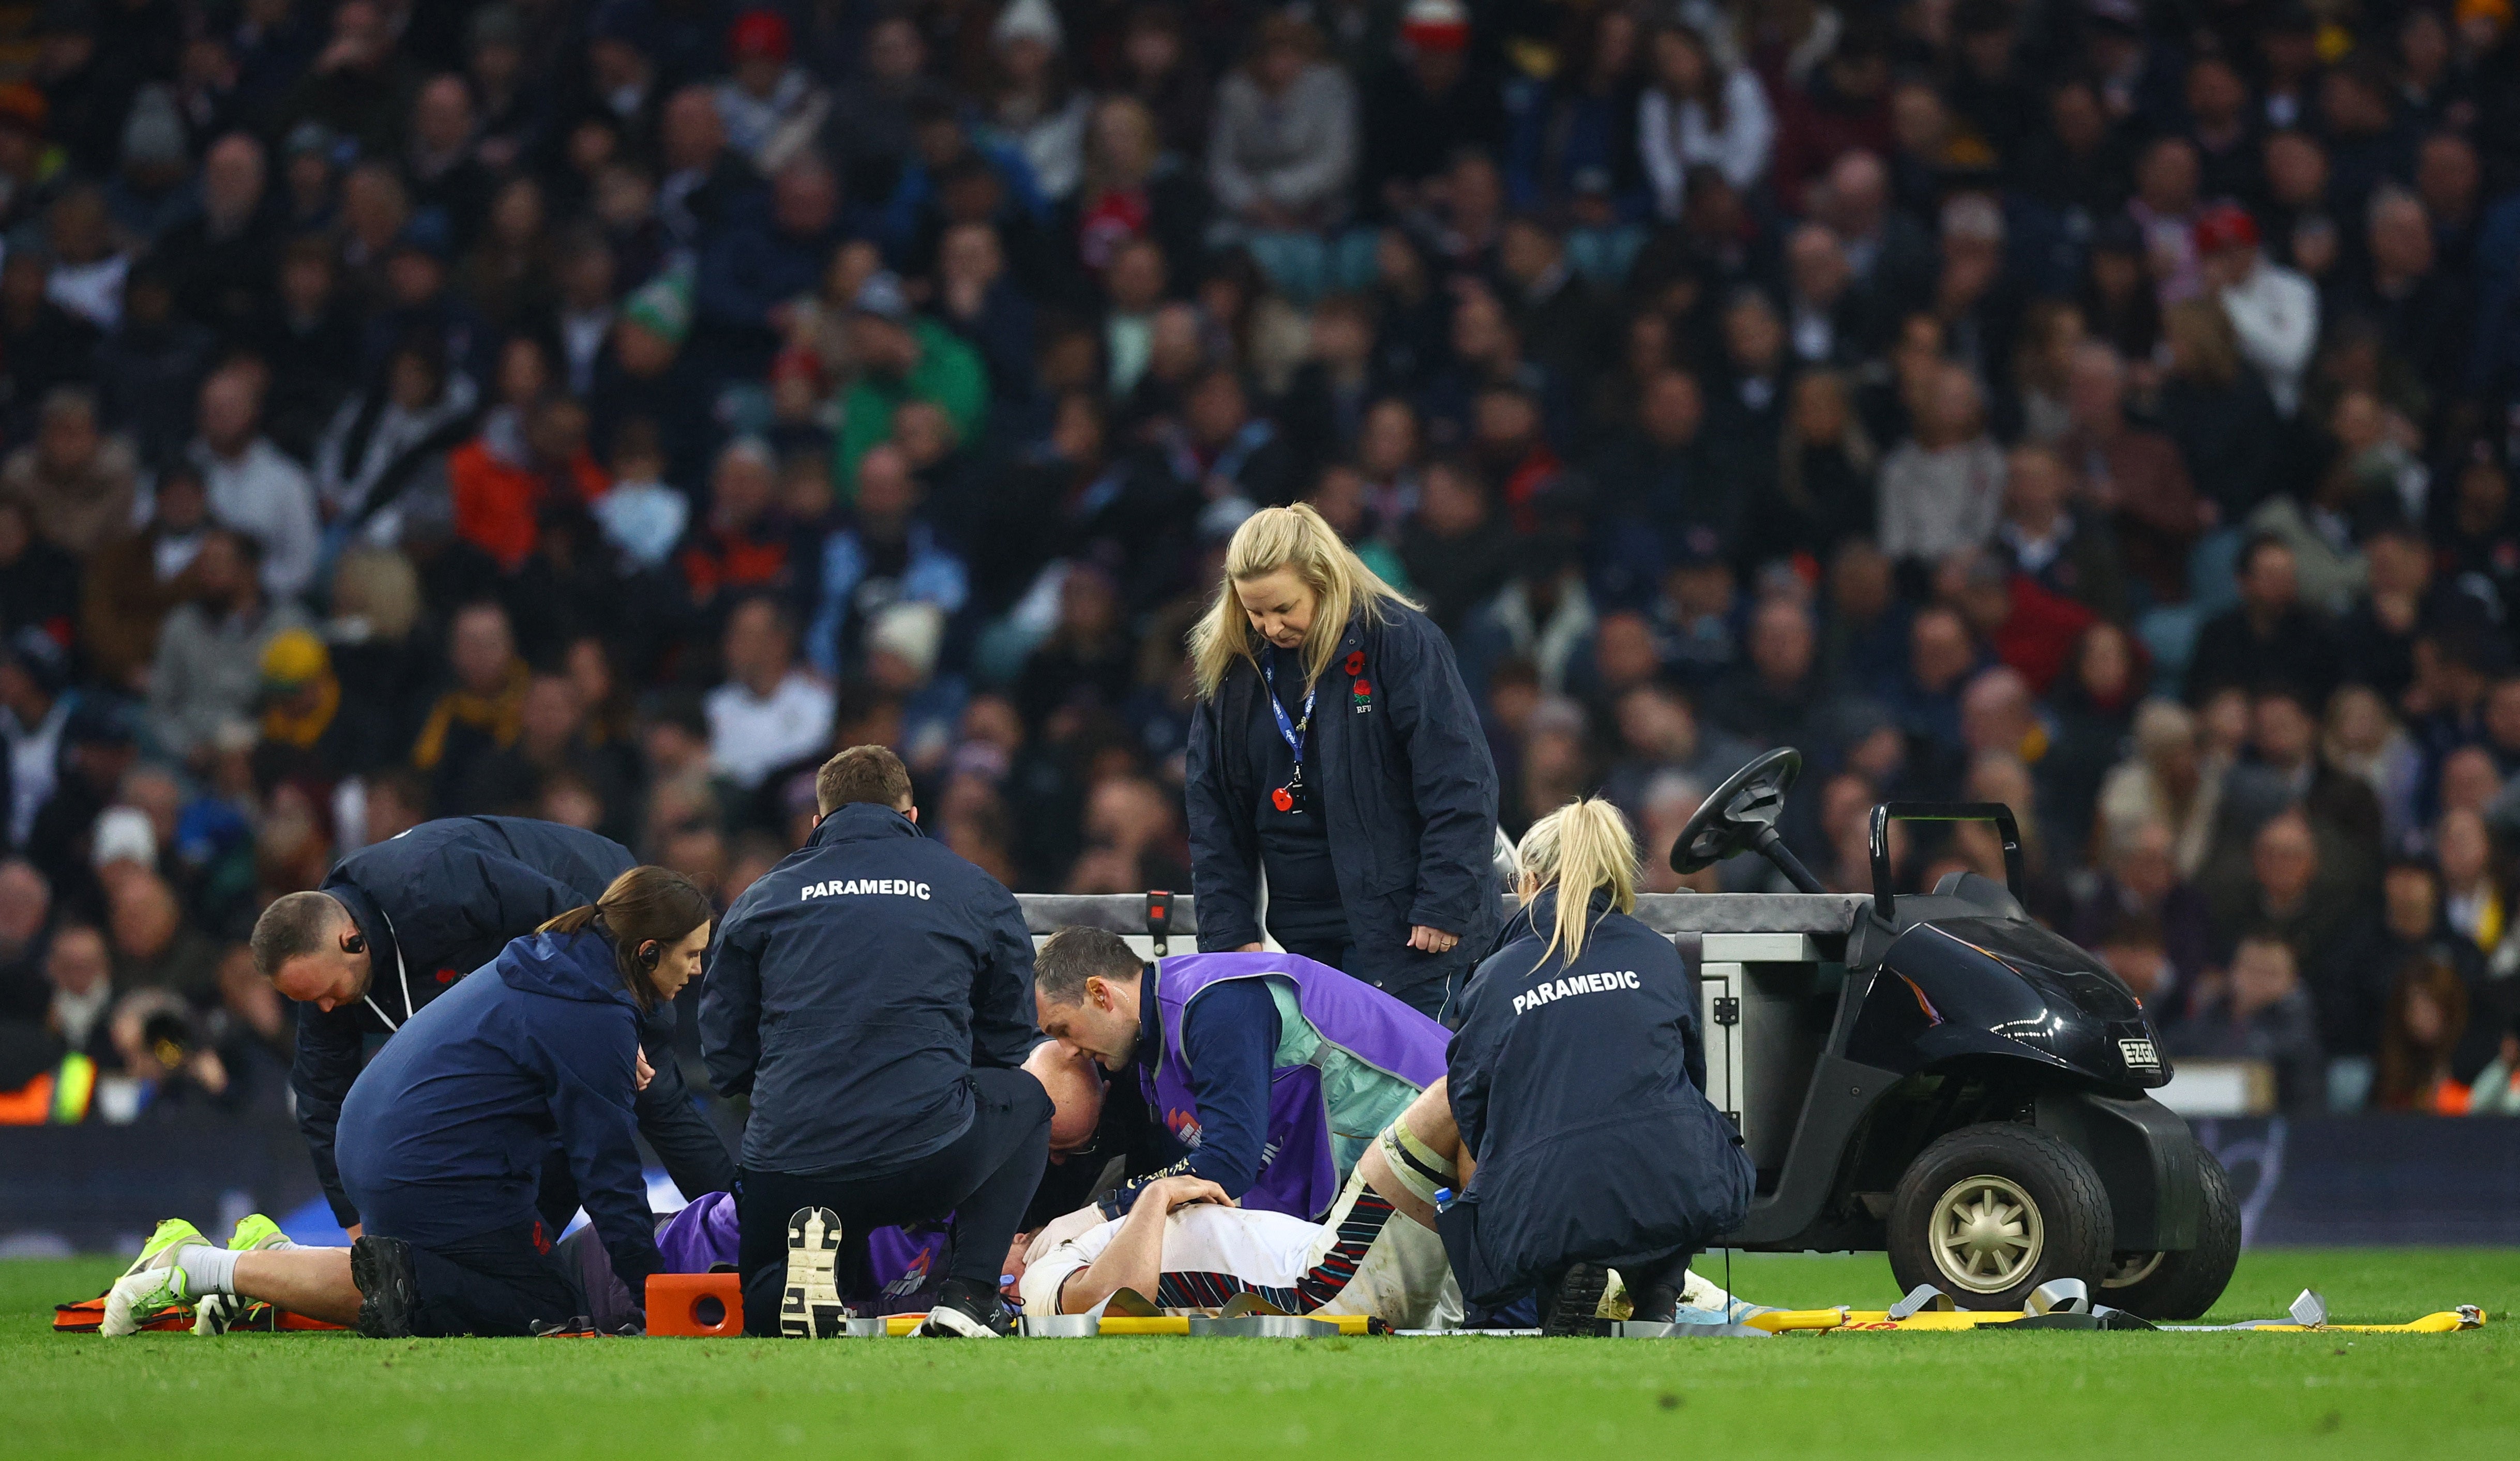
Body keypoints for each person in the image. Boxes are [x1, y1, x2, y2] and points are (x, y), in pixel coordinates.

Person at [103, 867, 716, 1337]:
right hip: (425, 1170)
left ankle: (272, 1263)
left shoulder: (556, 961)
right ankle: (204, 1266)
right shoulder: (590, 1011)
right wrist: (653, 1293)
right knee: (540, 1304)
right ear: (646, 951)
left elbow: (583, 1154)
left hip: (391, 1145)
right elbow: (607, 1172)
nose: (695, 970)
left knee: (513, 1269)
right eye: (690, 954)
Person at [700, 744, 1049, 1338]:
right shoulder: (975, 890)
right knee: (1027, 1097)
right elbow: (1009, 1042)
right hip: (924, 1153)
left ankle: (797, 1279)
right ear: (911, 817)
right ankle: (968, 1297)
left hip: (791, 1159)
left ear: (818, 823)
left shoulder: (761, 898)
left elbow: (726, 1060)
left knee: (765, 1290)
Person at [250, 816, 731, 1239]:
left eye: (328, 992)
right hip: (522, 964)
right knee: (514, 1113)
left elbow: (568, 915)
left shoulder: (431, 881)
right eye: (309, 1001)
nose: (327, 1009)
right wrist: (358, 1227)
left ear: (352, 941)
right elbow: (320, 1098)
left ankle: (750, 1238)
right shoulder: (323, 975)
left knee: (653, 1093)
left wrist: (612, 1020)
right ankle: (522, 1273)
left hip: (600, 910)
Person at [1442, 797, 1753, 1333]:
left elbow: (1471, 1108)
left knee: (1535, 1176)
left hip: (1543, 1202)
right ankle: (1658, 1289)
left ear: (1531, 879)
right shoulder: (1656, 954)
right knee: (1674, 1133)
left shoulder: (1493, 977)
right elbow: (1690, 1080)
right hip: (1678, 1183)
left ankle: (1562, 1273)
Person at [1184, 504, 1499, 1021]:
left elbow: (1461, 783)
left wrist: (1444, 903)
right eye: (1253, 612)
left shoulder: (1398, 641)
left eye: (1284, 608)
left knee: (1414, 1096)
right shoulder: (1233, 666)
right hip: (1304, 939)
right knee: (1335, 1101)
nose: (1269, 626)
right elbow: (1213, 810)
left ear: (1324, 580)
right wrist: (1229, 933)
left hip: (1410, 936)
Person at [1030, 924, 1448, 1225]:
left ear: (1100, 993)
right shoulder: (1157, 1027)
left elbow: (1227, 1165)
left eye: (1063, 1030)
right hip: (1392, 1168)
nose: (1068, 1050)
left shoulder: (1215, 1007)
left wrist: (1101, 1214)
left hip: (1452, 1139)